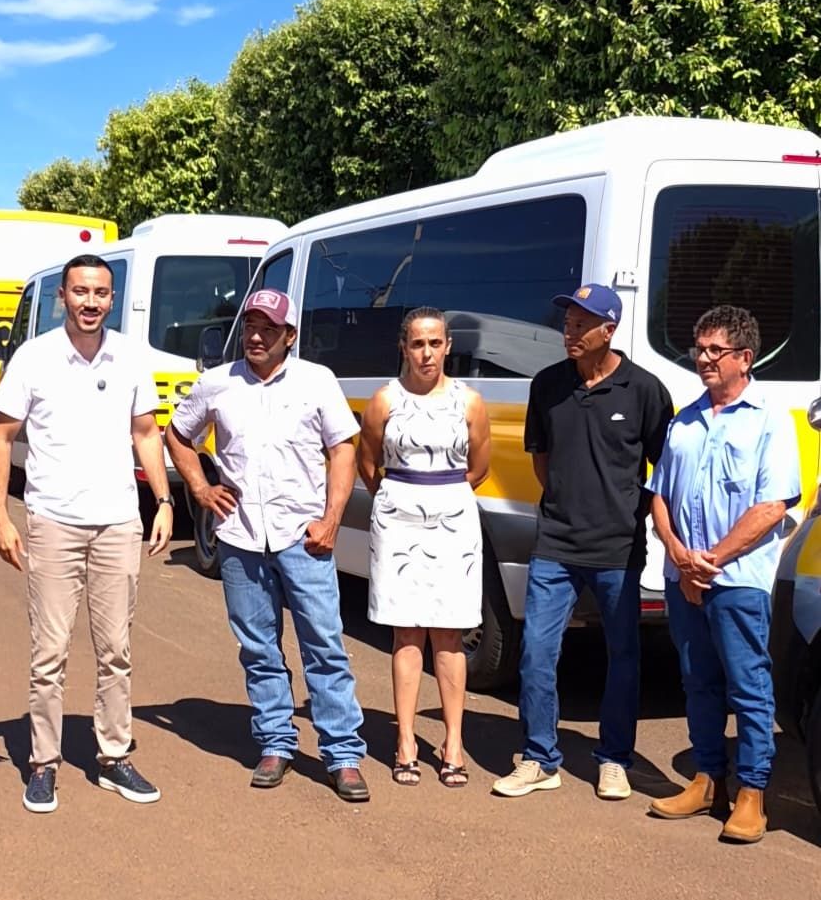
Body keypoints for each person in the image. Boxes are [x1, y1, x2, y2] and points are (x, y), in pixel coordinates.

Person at [165, 288, 369, 801]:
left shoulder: (316, 382)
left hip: (305, 539)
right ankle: (276, 742)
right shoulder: (217, 383)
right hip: (240, 539)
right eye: (250, 326)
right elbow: (177, 434)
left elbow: (343, 448)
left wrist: (332, 519)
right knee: (258, 648)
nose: (256, 336)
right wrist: (199, 487)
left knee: (324, 646)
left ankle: (342, 754)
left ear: (290, 336)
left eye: (268, 328)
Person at [0, 254, 173, 812]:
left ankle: (113, 758)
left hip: (118, 520)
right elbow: (1, 437)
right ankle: (43, 763)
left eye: (100, 293)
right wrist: (0, 516)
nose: (90, 302)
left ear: (112, 299)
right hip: (53, 521)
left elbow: (146, 432)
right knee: (50, 652)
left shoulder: (129, 357)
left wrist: (163, 501)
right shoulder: (34, 357)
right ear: (62, 297)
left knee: (116, 649)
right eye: (80, 292)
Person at [492, 283, 673, 801]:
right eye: (567, 322)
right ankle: (539, 758)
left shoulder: (644, 389)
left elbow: (666, 466)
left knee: (624, 655)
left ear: (607, 330)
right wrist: (568, 504)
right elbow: (542, 459)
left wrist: (635, 514)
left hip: (617, 548)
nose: (568, 332)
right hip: (555, 543)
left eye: (580, 324)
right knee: (536, 653)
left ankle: (613, 757)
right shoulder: (547, 385)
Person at [647, 305, 800, 843]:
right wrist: (678, 554)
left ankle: (752, 794)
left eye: (715, 350)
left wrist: (708, 560)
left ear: (745, 358)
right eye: (699, 347)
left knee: (749, 687)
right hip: (682, 575)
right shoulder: (684, 419)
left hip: (736, 581)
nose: (703, 358)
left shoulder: (770, 420)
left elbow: (771, 507)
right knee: (698, 682)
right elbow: (659, 496)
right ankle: (707, 780)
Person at [357, 307, 490, 787]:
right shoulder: (384, 400)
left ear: (448, 346)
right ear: (403, 346)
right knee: (407, 633)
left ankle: (454, 741)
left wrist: (442, 497)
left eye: (435, 343)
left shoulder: (469, 401)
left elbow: (480, 467)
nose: (426, 353)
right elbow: (367, 462)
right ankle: (407, 740)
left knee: (450, 633)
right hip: (398, 519)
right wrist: (400, 499)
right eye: (417, 343)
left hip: (453, 516)